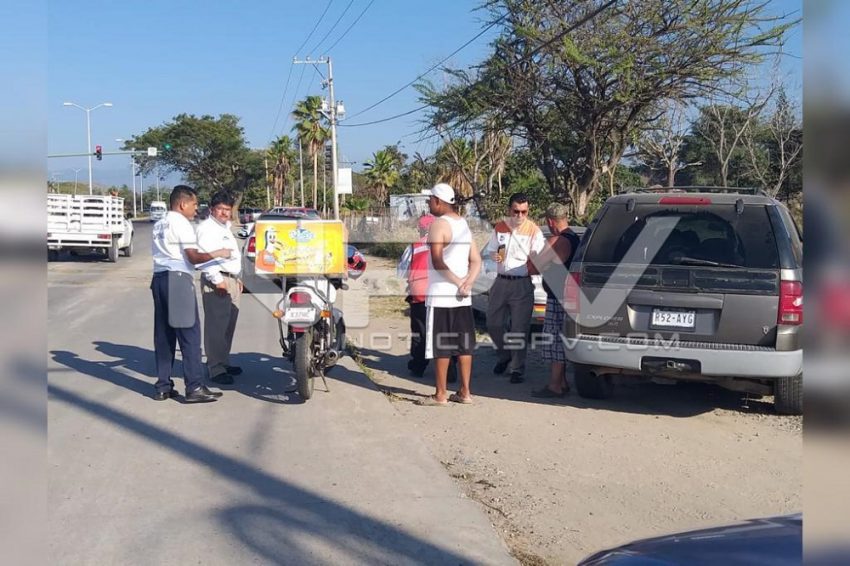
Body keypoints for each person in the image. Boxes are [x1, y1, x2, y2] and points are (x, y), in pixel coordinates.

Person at [150, 185, 231, 403]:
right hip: (178, 280)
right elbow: (193, 257)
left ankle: (163, 386)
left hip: (159, 278)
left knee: (164, 336)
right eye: (194, 204)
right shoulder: (181, 223)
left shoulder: (159, 223)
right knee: (189, 336)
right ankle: (194, 386)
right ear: (182, 204)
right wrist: (218, 253)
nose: (196, 209)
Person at [418, 183, 481, 406]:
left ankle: (440, 394)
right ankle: (465, 392)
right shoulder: (463, 224)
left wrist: (457, 282)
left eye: (430, 200)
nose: (428, 204)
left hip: (442, 295)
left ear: (438, 201)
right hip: (462, 297)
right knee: (464, 346)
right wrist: (467, 282)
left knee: (441, 346)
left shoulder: (438, 225)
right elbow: (476, 260)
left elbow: (437, 261)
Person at [484, 192, 545, 383]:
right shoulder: (500, 227)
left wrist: (532, 266)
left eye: (524, 212)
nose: (519, 215)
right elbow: (491, 250)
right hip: (501, 281)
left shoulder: (534, 230)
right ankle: (505, 356)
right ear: (509, 210)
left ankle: (517, 368)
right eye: (516, 211)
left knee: (519, 328)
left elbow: (540, 256)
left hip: (522, 284)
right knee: (493, 324)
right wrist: (493, 255)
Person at [528, 203, 581, 398]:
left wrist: (533, 255)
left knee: (554, 340)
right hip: (570, 296)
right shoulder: (575, 238)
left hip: (557, 298)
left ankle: (555, 385)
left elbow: (533, 268)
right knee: (561, 338)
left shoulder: (556, 241)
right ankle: (563, 382)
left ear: (550, 221)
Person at [398, 214, 459, 381]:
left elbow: (401, 272)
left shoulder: (414, 247)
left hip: (420, 295)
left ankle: (418, 366)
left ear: (421, 229)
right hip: (445, 295)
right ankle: (450, 363)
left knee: (421, 332)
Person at [196, 190, 243, 385]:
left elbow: (232, 256)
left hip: (231, 279)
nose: (224, 213)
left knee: (228, 325)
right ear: (211, 209)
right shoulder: (206, 228)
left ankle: (223, 361)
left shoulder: (225, 227)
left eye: (227, 209)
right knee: (216, 326)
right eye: (220, 209)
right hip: (218, 280)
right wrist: (217, 281)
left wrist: (237, 277)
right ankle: (215, 368)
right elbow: (204, 258)